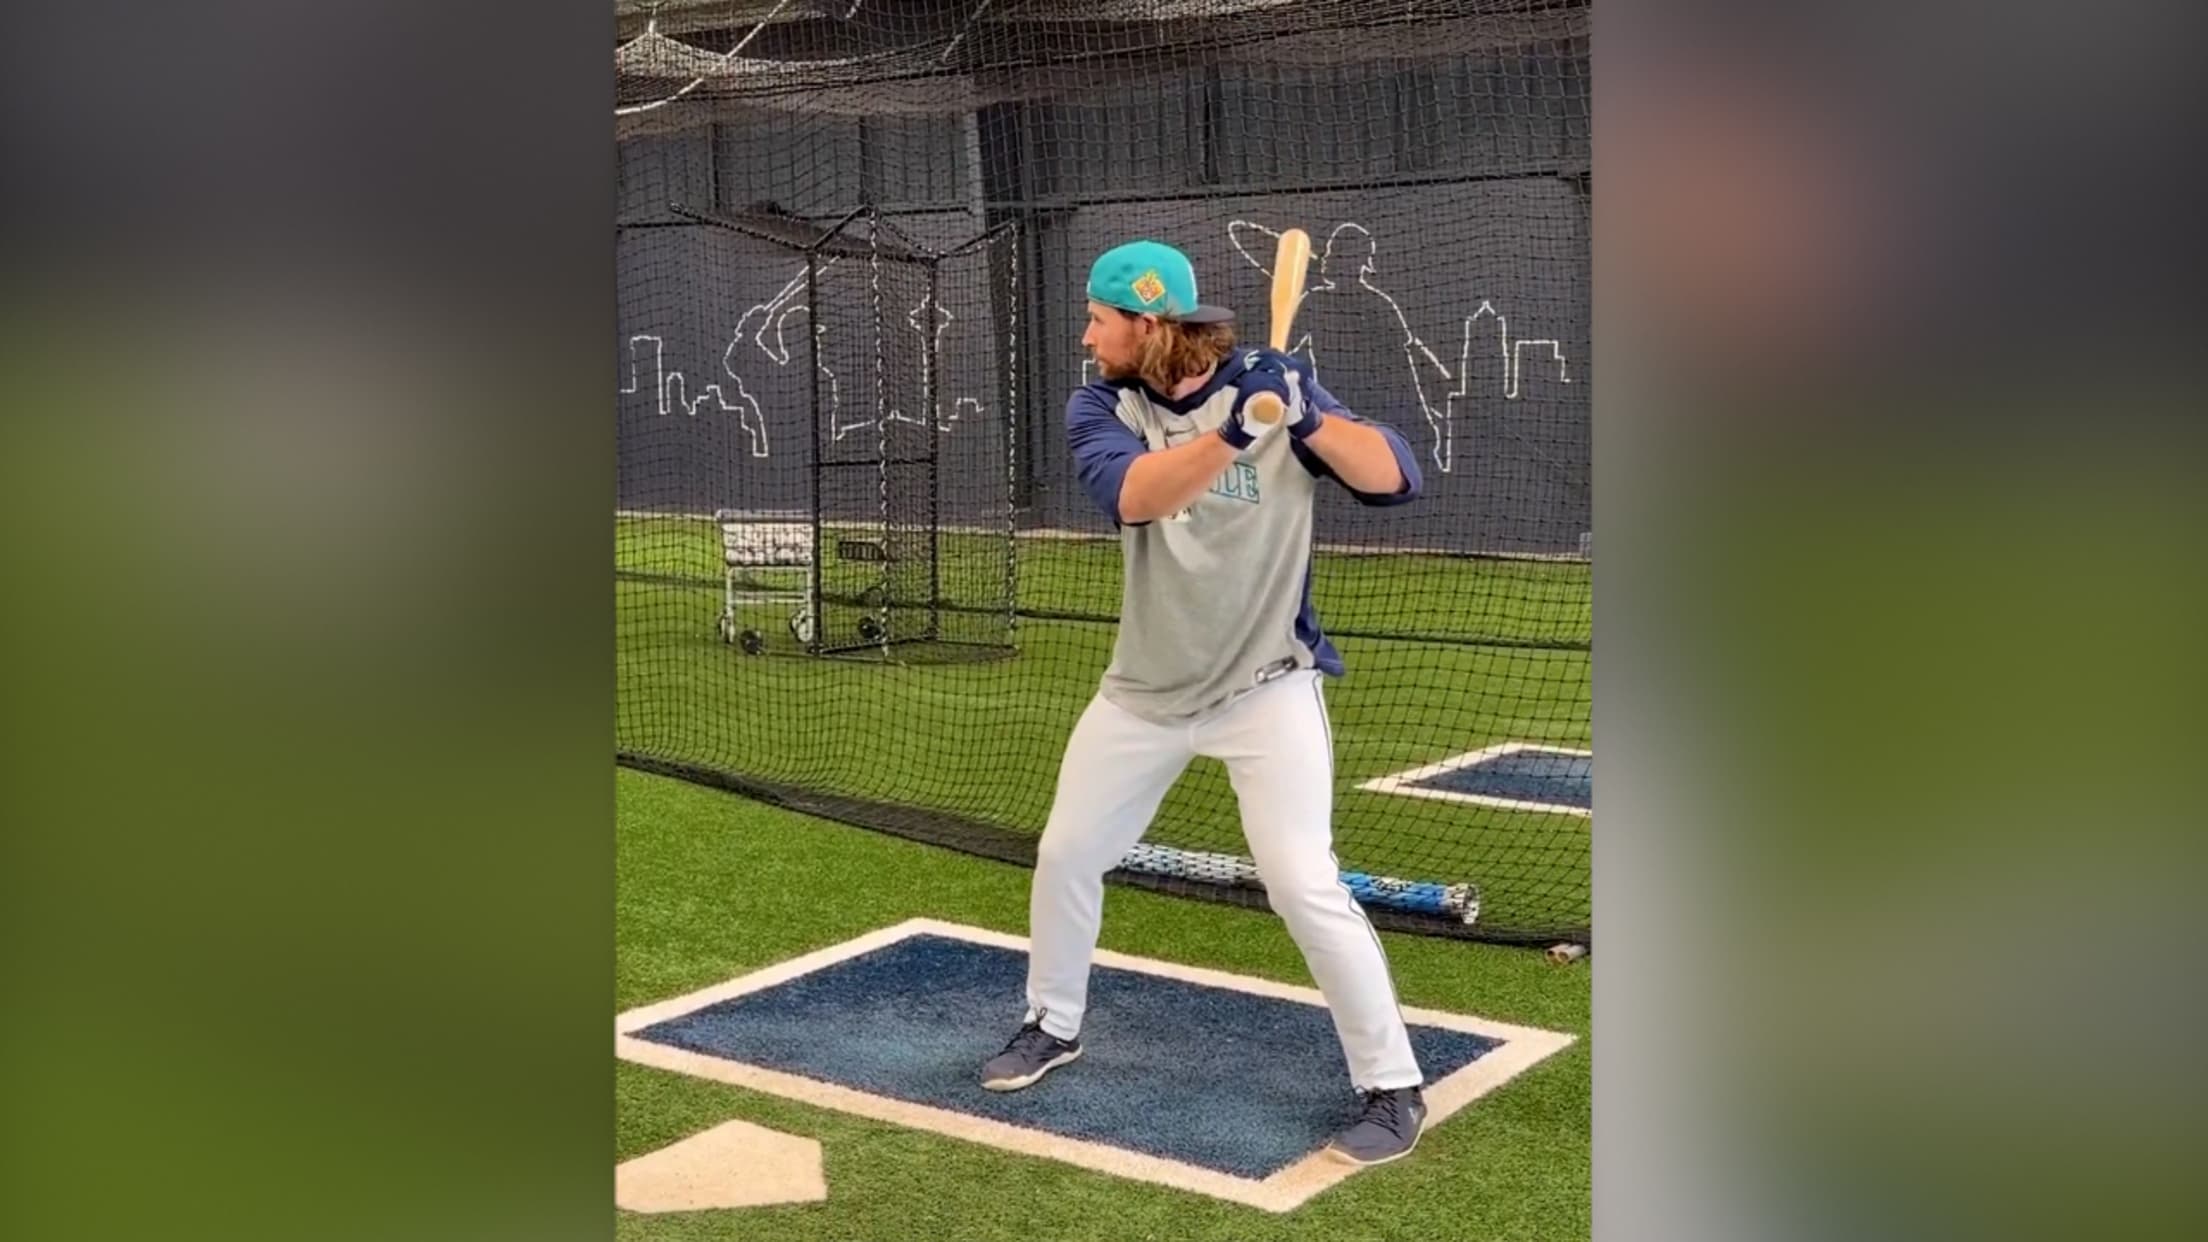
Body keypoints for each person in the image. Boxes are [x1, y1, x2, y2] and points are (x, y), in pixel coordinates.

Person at [978, 239, 1431, 1166]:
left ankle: (1392, 1085)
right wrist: (1235, 432)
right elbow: (1138, 496)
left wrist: (1304, 414)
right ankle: (1052, 1024)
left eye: (1099, 319)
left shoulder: (1274, 388)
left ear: (1147, 325)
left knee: (1303, 882)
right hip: (1144, 693)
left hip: (1266, 686)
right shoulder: (1103, 404)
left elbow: (1396, 476)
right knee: (1067, 853)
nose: (1086, 334)